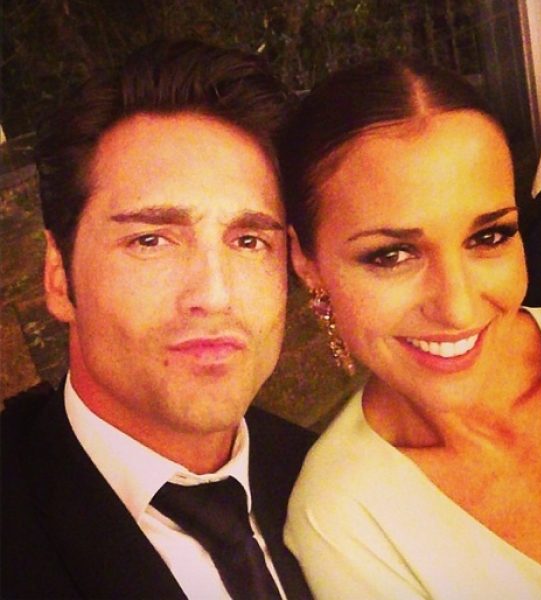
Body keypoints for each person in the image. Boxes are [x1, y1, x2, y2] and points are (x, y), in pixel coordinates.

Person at [1, 39, 315, 600]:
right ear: (58, 276)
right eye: (150, 240)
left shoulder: (321, 479)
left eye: (249, 240)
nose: (214, 294)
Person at [280, 57, 541, 599]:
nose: (457, 307)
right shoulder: (343, 516)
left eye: (488, 237)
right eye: (392, 255)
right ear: (306, 262)